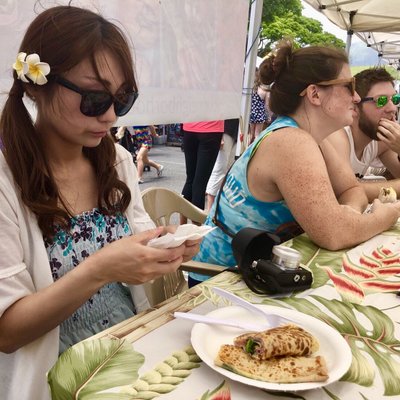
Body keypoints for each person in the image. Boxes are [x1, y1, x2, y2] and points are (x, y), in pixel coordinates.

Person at [0, 6, 201, 400]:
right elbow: (8, 331)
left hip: (136, 357)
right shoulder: (7, 179)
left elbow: (138, 244)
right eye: (94, 99)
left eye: (122, 99)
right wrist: (100, 269)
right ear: (37, 84)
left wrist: (166, 245)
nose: (110, 116)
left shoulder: (116, 160)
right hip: (59, 383)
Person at [188, 39, 400, 286]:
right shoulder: (291, 141)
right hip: (219, 282)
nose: (355, 97)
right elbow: (334, 233)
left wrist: (348, 215)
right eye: (348, 86)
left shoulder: (309, 136)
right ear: (314, 94)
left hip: (257, 273)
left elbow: (351, 190)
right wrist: (386, 215)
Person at [323, 67, 400, 201]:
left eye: (395, 99)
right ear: (355, 107)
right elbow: (345, 191)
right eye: (381, 100)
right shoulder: (338, 136)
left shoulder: (380, 141)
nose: (393, 108)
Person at [181, 120, 224, 211]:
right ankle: (197, 224)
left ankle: (182, 223)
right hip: (212, 129)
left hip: (189, 127)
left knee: (190, 179)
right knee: (200, 183)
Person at [205, 118, 239, 211]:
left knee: (228, 169)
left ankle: (214, 209)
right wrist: (219, 135)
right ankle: (210, 210)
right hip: (226, 129)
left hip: (236, 130)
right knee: (220, 169)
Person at [249, 68, 271, 143]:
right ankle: (255, 152)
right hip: (260, 114)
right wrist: (268, 116)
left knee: (251, 135)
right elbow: (267, 105)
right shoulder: (265, 90)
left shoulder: (251, 89)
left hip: (251, 112)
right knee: (257, 134)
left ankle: (247, 149)